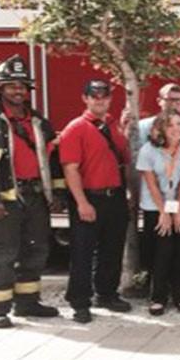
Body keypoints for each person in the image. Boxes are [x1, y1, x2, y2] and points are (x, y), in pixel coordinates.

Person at [0, 55, 64, 329]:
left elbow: (52, 159)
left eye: (22, 86)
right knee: (1, 253)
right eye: (11, 86)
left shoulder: (38, 122)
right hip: (3, 201)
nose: (18, 90)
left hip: (34, 198)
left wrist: (57, 193)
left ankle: (27, 302)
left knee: (36, 250)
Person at [59, 79, 133, 324]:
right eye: (94, 95)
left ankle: (107, 294)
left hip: (115, 197)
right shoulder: (75, 128)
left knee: (112, 249)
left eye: (104, 95)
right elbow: (71, 169)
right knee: (83, 252)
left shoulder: (113, 125)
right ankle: (79, 302)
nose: (100, 99)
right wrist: (81, 203)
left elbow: (124, 158)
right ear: (85, 99)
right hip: (90, 197)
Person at [133, 83, 180, 295]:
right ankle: (157, 293)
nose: (174, 104)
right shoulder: (143, 128)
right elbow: (142, 172)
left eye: (178, 100)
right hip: (153, 203)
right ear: (159, 101)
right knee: (157, 250)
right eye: (169, 99)